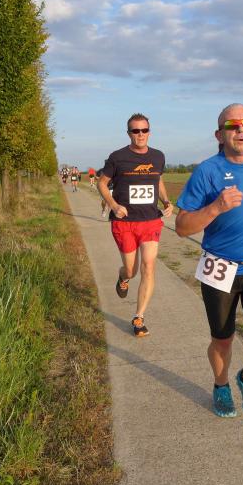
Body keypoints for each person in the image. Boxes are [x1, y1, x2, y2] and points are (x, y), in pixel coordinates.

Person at [175, 103, 243, 421]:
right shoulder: (207, 171)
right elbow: (181, 227)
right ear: (219, 135)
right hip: (220, 268)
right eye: (232, 125)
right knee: (222, 341)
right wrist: (215, 208)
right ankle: (221, 384)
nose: (240, 129)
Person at [98, 113, 174, 337]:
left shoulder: (158, 156)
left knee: (148, 266)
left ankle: (139, 317)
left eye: (144, 130)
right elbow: (102, 183)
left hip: (150, 221)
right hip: (125, 223)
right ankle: (123, 278)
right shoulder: (117, 157)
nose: (140, 134)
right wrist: (113, 205)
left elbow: (158, 179)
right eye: (135, 131)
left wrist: (166, 201)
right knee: (131, 270)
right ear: (129, 133)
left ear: (149, 132)